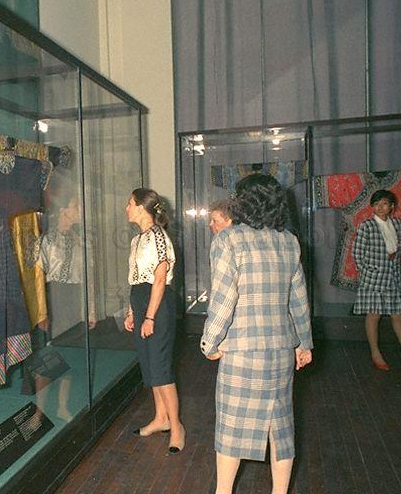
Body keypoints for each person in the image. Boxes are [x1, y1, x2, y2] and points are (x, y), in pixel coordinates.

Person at [201, 173, 313, 494]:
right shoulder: (289, 241)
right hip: (280, 351)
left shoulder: (228, 240)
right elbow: (299, 299)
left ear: (242, 202)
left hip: (242, 353)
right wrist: (304, 343)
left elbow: (224, 300)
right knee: (281, 429)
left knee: (232, 429)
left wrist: (210, 342)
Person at [124, 188, 184, 454]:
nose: (126, 208)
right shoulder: (138, 239)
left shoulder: (159, 237)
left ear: (140, 208)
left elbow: (159, 279)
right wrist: (131, 312)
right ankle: (161, 419)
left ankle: (177, 427)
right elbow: (136, 279)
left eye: (129, 204)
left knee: (161, 367)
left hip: (157, 304)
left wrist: (149, 316)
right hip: (141, 300)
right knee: (150, 365)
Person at [353, 189, 401, 372]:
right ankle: (376, 353)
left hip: (393, 277)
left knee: (400, 316)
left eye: (385, 203)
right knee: (374, 315)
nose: (381, 207)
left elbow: (397, 252)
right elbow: (357, 254)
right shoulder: (367, 226)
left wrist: (397, 272)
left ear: (392, 207)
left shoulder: (398, 224)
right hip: (373, 278)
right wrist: (368, 273)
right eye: (377, 204)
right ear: (372, 207)